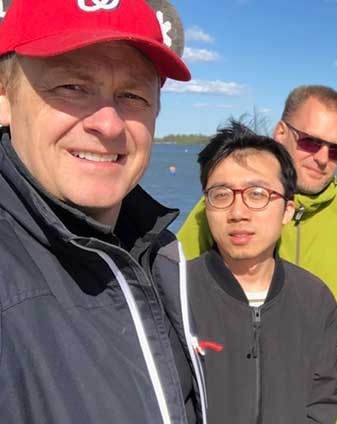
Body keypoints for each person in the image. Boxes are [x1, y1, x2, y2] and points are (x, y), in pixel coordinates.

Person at [0, 0, 207, 422]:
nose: (108, 124)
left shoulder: (160, 255)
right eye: (72, 87)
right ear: (4, 96)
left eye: (132, 95)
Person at [178, 85, 337, 421]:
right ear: (281, 131)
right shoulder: (222, 207)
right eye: (311, 142)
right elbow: (180, 291)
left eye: (336, 150)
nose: (322, 158)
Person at [186, 120, 337, 423]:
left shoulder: (315, 298)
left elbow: (322, 398)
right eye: (221, 194)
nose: (238, 212)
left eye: (257, 194)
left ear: (286, 210)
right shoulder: (176, 293)